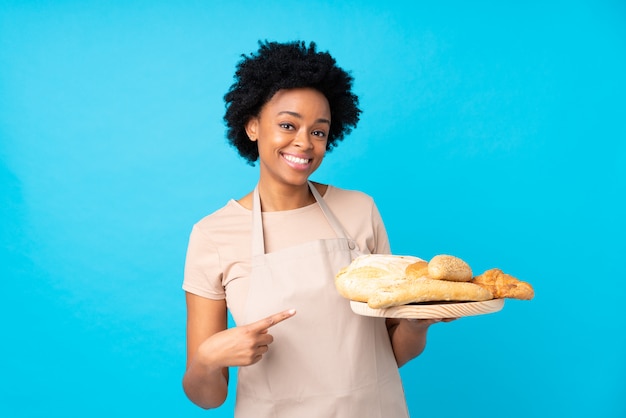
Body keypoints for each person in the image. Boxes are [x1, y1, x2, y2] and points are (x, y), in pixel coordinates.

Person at [182, 40, 452, 417]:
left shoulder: (360, 210)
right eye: (288, 125)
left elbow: (389, 353)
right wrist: (208, 359)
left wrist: (416, 324)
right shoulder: (213, 235)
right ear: (253, 125)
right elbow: (207, 396)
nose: (304, 144)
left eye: (319, 132)